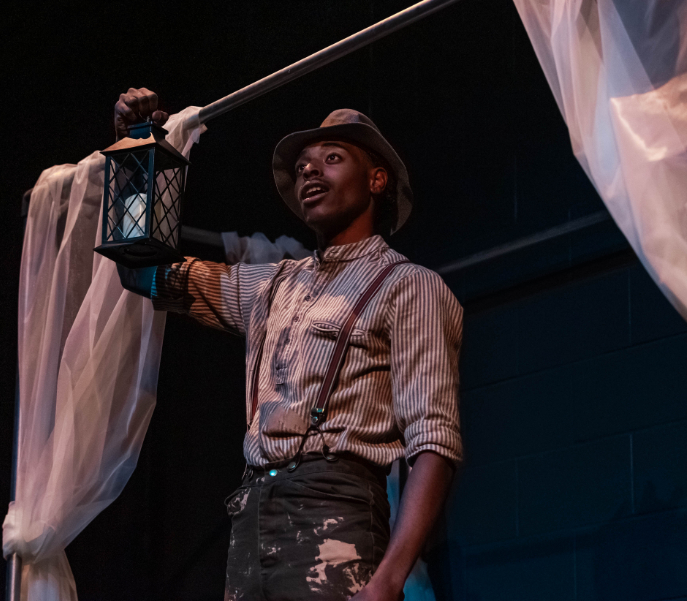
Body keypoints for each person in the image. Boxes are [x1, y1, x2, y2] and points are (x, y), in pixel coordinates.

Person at [113, 87, 462, 601]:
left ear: (377, 179)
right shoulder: (272, 284)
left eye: (332, 159)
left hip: (334, 512)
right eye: (301, 167)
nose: (310, 172)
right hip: (252, 516)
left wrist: (390, 579)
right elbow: (142, 273)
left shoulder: (410, 286)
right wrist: (135, 156)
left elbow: (434, 442)